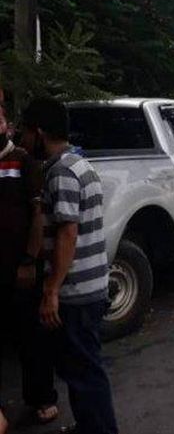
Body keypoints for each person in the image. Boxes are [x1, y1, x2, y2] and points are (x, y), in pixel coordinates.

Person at [22, 97, 119, 434]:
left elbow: (67, 232)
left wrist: (51, 291)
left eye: (25, 132)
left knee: (85, 372)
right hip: (91, 287)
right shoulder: (80, 164)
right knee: (81, 369)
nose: (22, 140)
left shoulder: (61, 172)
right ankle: (90, 426)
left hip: (75, 291)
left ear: (39, 132)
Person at [0, 102, 59, 429]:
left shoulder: (22, 161)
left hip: (19, 269)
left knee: (31, 338)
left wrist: (29, 260)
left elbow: (37, 214)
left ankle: (42, 397)